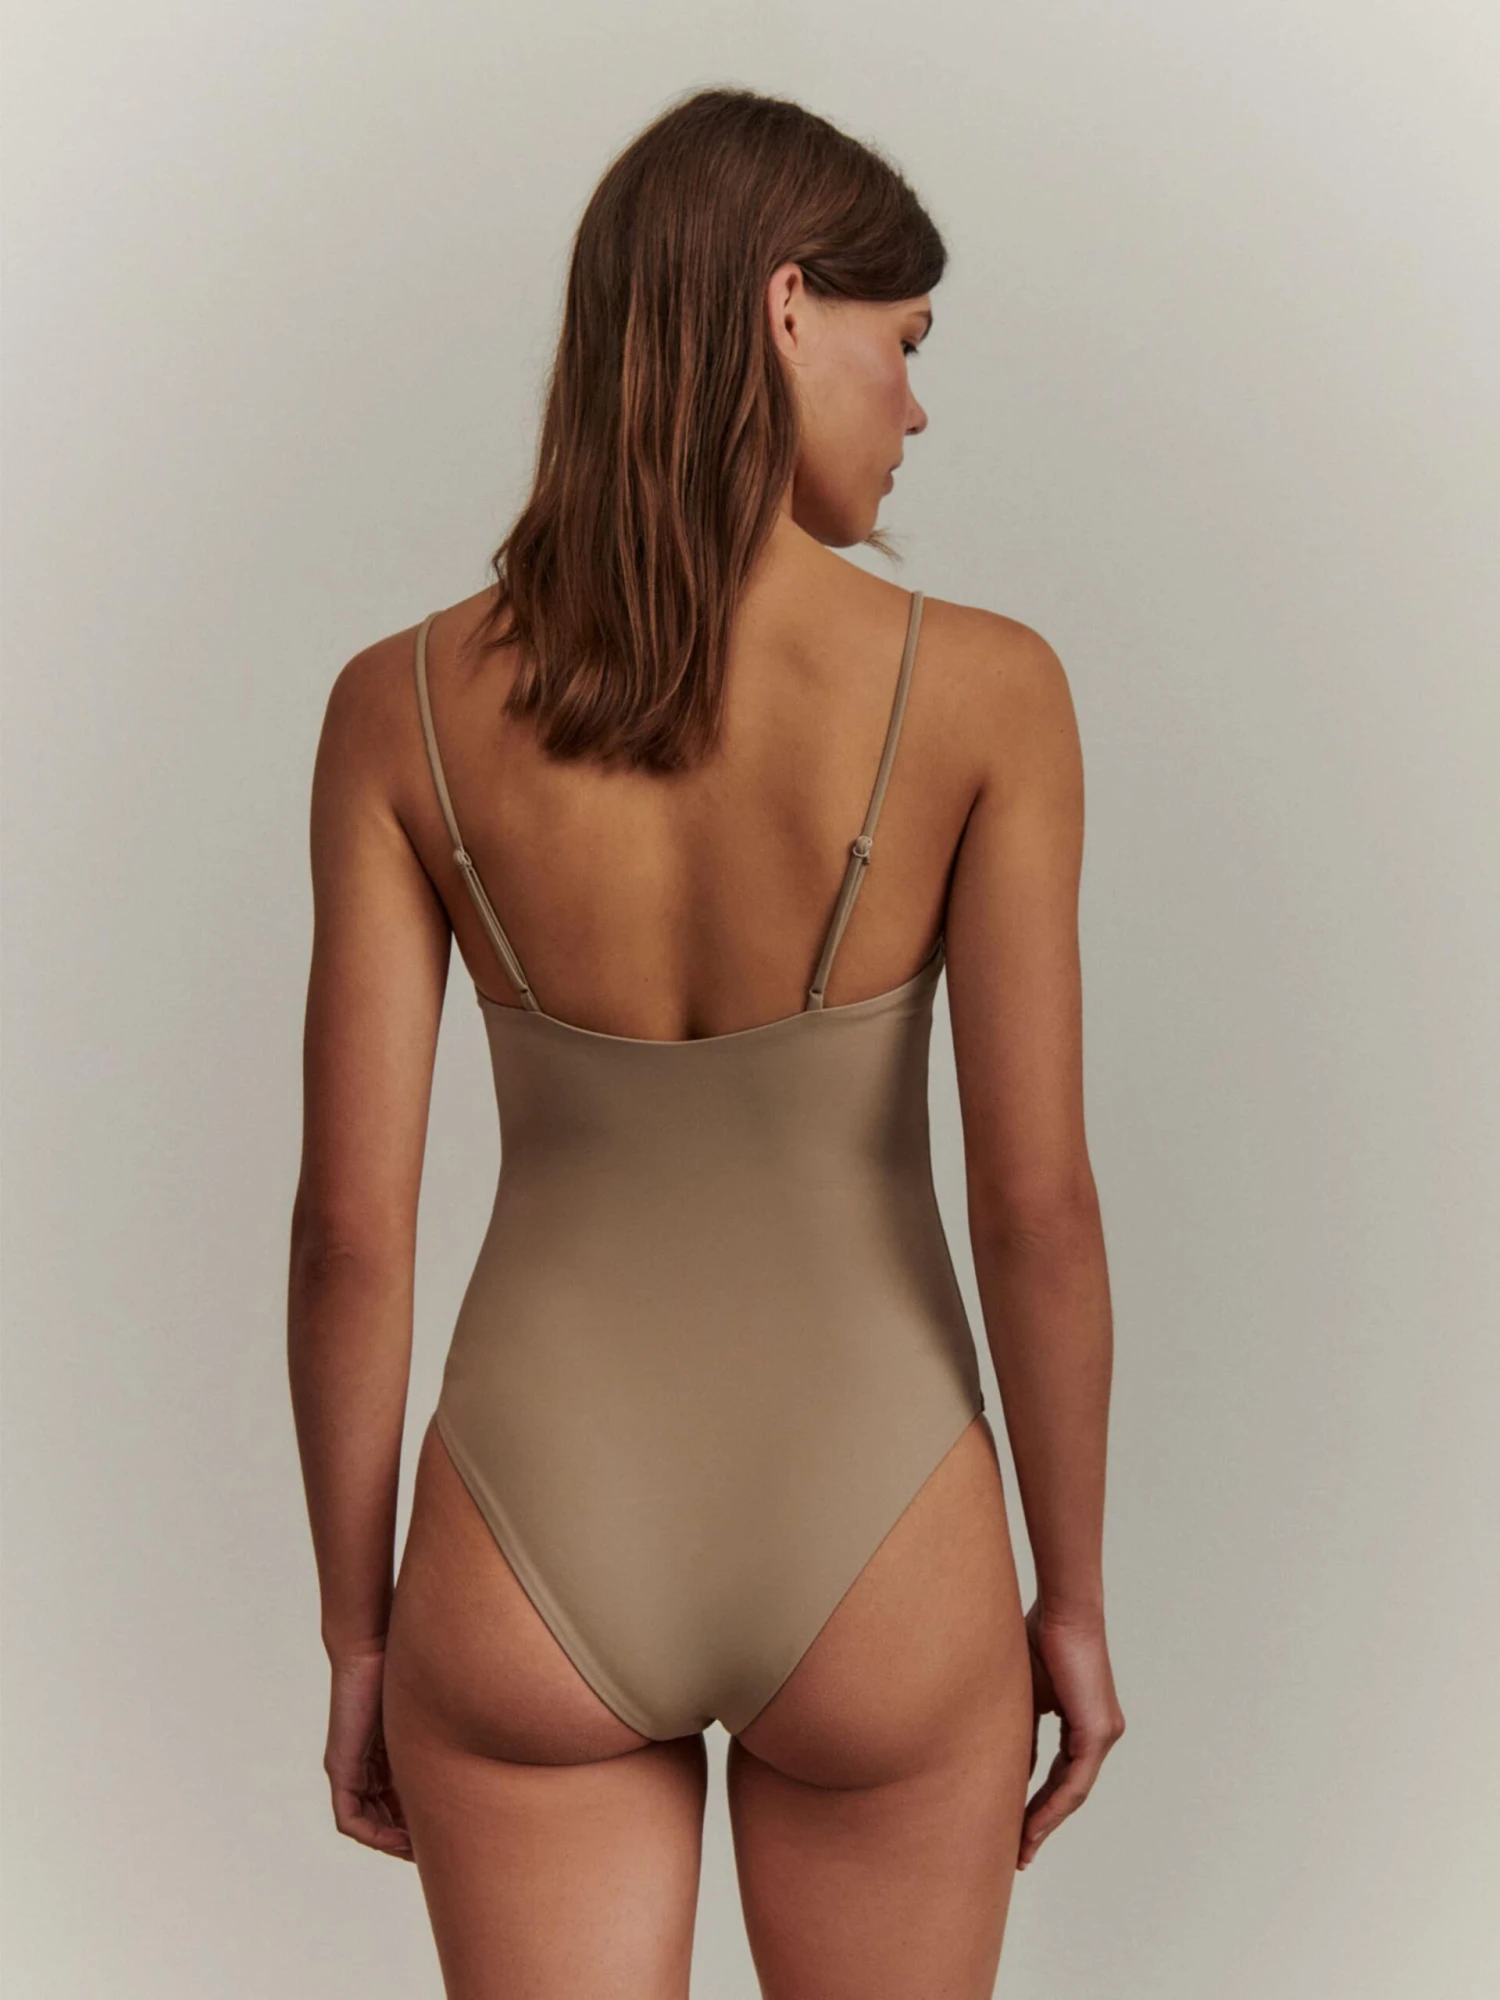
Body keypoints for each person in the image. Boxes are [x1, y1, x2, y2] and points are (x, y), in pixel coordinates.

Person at [288, 84, 1123, 1998]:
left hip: (525, 1533)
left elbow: (349, 1233)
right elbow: (1039, 1207)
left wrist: (360, 1633)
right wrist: (1068, 1596)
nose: (916, 410)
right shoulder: (990, 691)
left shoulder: (396, 708)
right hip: (887, 1535)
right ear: (785, 306)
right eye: (906, 343)